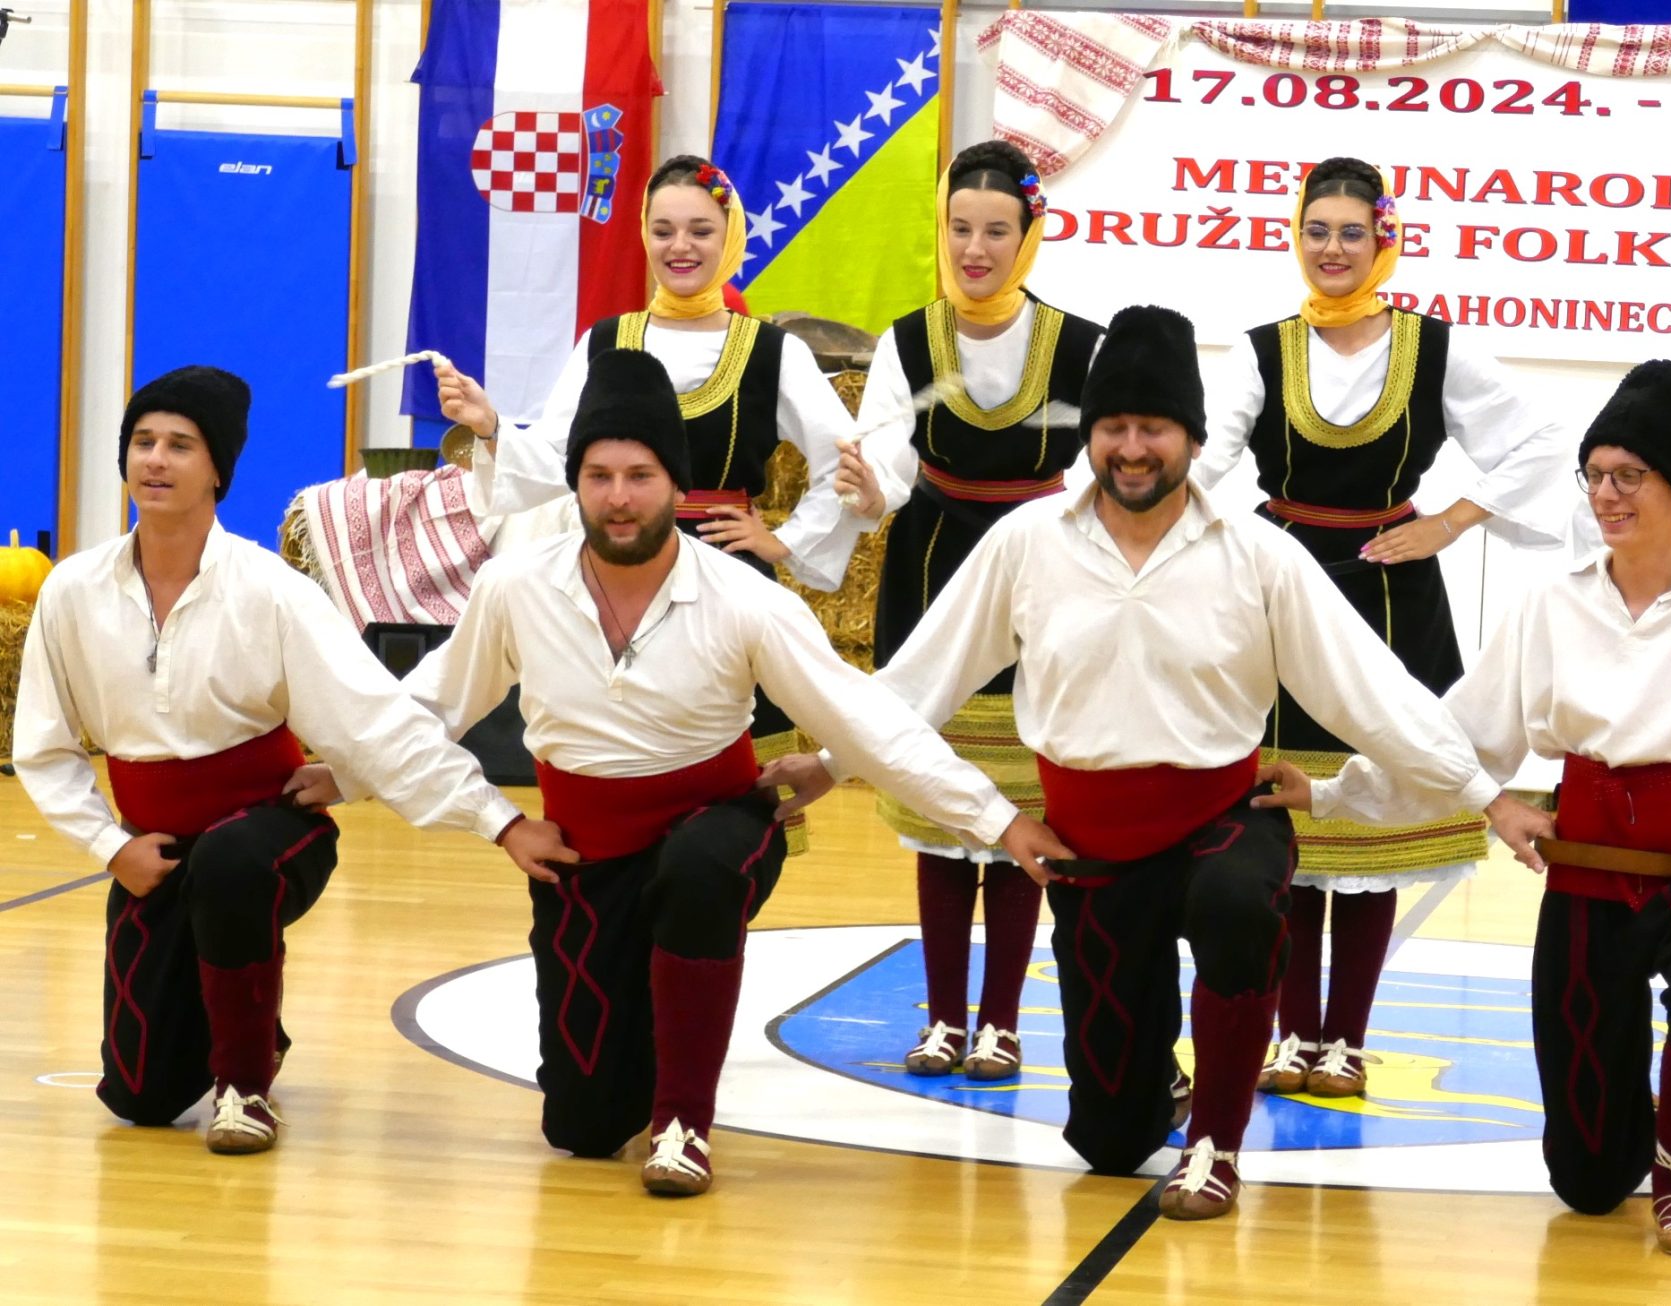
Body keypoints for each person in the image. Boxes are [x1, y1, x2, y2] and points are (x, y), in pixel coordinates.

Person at [776, 307, 1510, 1220]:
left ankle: (1216, 1145)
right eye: (1113, 427)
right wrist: (828, 763)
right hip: (1090, 847)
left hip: (1220, 823)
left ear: (1193, 440)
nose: (1131, 449)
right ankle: (1155, 1089)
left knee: (1240, 908)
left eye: (1153, 428)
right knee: (1110, 1142)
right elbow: (920, 678)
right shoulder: (1027, 542)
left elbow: (1376, 695)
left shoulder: (1259, 554)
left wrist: (1491, 798)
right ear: (1088, 435)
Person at [401, 348, 1067, 1197]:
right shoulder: (514, 588)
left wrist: (997, 820)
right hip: (583, 855)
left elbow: (867, 722)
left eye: (640, 476)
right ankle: (649, 1036)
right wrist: (493, 819)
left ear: (676, 485)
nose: (618, 497)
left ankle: (684, 1123)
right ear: (575, 485)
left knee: (698, 871)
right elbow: (425, 708)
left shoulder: (748, 600)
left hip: (714, 829)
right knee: (584, 1127)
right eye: (599, 476)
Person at [1279, 360, 1671, 1255]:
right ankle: (1642, 1136)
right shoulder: (1552, 603)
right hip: (1587, 882)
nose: (1606, 495)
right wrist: (1335, 794)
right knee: (1588, 1184)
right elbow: (1462, 736)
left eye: (1629, 475)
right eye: (1595, 475)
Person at [12, 366, 552, 1155]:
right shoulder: (71, 591)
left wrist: (502, 823)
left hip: (268, 833)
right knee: (141, 1097)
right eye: (142, 441)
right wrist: (110, 847)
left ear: (218, 471)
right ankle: (250, 1016)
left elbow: (378, 727)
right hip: (152, 852)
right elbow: (44, 748)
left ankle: (245, 1089)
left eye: (180, 445)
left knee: (231, 863)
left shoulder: (271, 591)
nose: (155, 459)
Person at [1193, 157, 1569, 1099]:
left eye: (1351, 233)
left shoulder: (1433, 349)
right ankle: (1292, 1036)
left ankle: (1345, 1042)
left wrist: (1448, 521)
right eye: (1316, 230)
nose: (1332, 249)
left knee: (1376, 825)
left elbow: (1539, 441)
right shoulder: (1262, 351)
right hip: (1283, 590)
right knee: (1284, 824)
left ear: (1384, 240)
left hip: (1394, 592)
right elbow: (1198, 462)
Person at [434, 153, 865, 844]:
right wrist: (490, 426)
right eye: (663, 230)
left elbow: (848, 464)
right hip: (615, 567)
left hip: (724, 582)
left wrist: (784, 540)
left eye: (700, 230)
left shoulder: (771, 352)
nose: (680, 246)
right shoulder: (606, 342)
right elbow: (557, 460)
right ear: (644, 235)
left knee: (734, 818)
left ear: (730, 236)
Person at [832, 141, 1103, 1081]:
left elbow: (1107, 469)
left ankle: (1002, 1023)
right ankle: (945, 1019)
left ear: (1031, 235)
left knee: (1020, 807)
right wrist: (873, 490)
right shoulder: (908, 340)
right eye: (960, 229)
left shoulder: (1081, 344)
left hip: (1043, 574)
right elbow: (887, 455)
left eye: (996, 231)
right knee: (942, 810)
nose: (975, 249)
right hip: (933, 567)